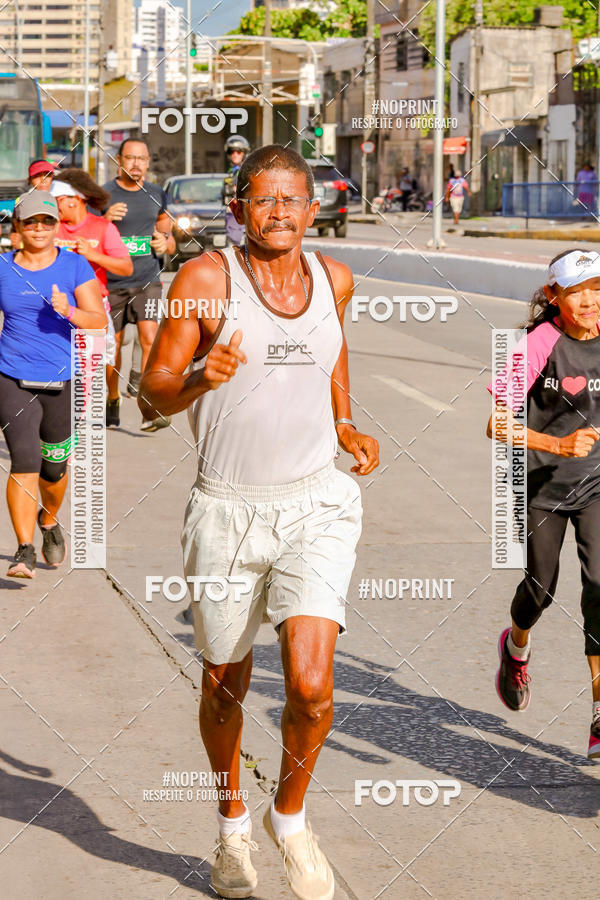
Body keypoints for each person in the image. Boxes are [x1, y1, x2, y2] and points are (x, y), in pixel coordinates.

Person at [139, 144, 379, 900]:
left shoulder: (334, 280)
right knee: (224, 685)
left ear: (314, 210)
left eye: (292, 199)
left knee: (310, 686)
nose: (279, 212)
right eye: (263, 199)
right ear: (238, 208)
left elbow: (334, 355)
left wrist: (345, 423)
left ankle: (291, 818)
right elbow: (152, 392)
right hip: (226, 510)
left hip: (316, 502)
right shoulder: (206, 280)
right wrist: (196, 379)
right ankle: (231, 826)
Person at [488, 248, 600, 760]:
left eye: (598, 288)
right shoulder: (536, 345)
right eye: (578, 291)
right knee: (541, 587)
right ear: (555, 297)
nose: (590, 301)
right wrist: (557, 444)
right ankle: (515, 647)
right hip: (542, 488)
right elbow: (496, 424)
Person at [0, 191, 106, 578]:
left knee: (55, 469)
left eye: (47, 221)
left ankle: (48, 520)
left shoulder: (75, 267)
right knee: (24, 460)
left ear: (56, 225)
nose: (39, 228)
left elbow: (99, 320)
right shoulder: (2, 268)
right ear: (18, 227)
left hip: (61, 379)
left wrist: (71, 311)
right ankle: (24, 550)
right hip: (10, 375)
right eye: (31, 222)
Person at [103, 138, 175, 430]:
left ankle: (148, 403)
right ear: (119, 160)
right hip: (112, 283)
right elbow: (87, 233)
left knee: (150, 338)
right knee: (114, 347)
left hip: (147, 278)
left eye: (141, 159)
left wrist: (165, 241)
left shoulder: (157, 194)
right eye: (130, 158)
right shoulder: (104, 194)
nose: (135, 163)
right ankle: (112, 396)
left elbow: (168, 237)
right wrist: (105, 218)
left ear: (147, 163)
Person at [51, 169, 133, 370]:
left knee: (93, 375)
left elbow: (126, 268)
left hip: (93, 310)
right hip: (57, 308)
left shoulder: (103, 227)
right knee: (63, 370)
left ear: (75, 199)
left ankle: (109, 397)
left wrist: (93, 255)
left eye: (57, 199)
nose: (54, 205)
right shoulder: (51, 227)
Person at [222, 134, 251, 247]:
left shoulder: (246, 171)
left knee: (234, 246)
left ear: (244, 153)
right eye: (231, 152)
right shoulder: (232, 171)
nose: (234, 155)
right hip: (231, 212)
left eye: (238, 152)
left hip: (239, 211)